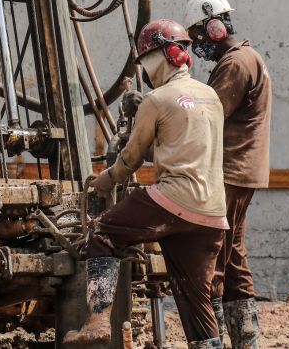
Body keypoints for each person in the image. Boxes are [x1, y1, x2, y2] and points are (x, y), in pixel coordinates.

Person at [64, 19, 228, 349]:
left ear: (159, 57)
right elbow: (182, 144)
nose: (145, 70)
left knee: (103, 232)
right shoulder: (211, 96)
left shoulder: (157, 99)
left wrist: (104, 182)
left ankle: (96, 323)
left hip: (174, 199)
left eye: (145, 62)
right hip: (212, 214)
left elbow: (131, 158)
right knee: (195, 299)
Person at [185, 0, 272, 349]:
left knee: (214, 259)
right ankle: (246, 341)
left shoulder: (235, 63)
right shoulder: (249, 57)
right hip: (243, 169)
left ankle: (211, 341)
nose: (196, 45)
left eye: (198, 35)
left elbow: (208, 114)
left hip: (230, 170)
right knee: (234, 257)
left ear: (215, 27)